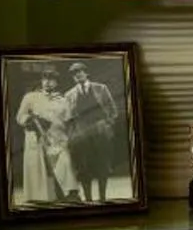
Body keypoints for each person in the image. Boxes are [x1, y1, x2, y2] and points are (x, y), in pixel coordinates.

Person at [14, 69, 81, 204]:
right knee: (39, 169)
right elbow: (19, 116)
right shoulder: (30, 97)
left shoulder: (63, 100)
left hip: (58, 138)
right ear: (41, 80)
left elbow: (68, 120)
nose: (48, 82)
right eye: (45, 79)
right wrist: (29, 121)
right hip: (37, 138)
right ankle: (40, 197)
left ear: (56, 83)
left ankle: (71, 193)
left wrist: (72, 134)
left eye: (51, 80)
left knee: (65, 163)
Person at [63, 60, 125, 203]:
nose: (77, 75)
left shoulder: (101, 88)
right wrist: (73, 134)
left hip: (99, 131)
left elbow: (112, 109)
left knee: (102, 165)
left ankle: (102, 198)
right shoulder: (69, 95)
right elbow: (67, 117)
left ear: (86, 73)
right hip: (81, 134)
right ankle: (89, 200)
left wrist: (108, 124)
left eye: (79, 71)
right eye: (74, 73)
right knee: (84, 168)